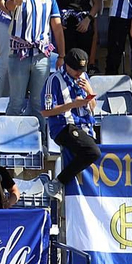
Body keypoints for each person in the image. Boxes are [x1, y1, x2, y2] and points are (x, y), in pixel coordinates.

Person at [41, 48, 100, 196]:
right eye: (76, 70)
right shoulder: (54, 80)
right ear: (67, 65)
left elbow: (93, 107)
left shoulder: (84, 78)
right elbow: (46, 111)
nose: (79, 73)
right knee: (93, 152)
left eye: (81, 70)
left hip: (84, 126)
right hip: (63, 126)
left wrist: (89, 91)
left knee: (89, 152)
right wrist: (72, 104)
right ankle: (59, 181)